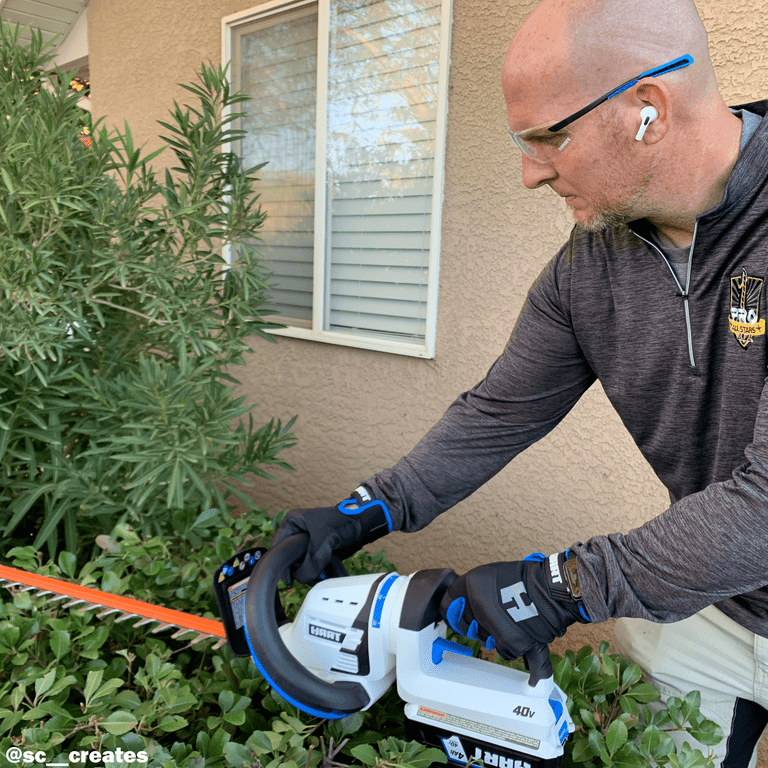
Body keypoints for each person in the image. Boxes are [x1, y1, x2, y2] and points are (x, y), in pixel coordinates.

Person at [273, 0, 768, 764]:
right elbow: (499, 413)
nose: (531, 172)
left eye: (548, 137)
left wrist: (563, 585)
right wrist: (368, 509)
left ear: (648, 109)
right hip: (714, 607)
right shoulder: (589, 266)